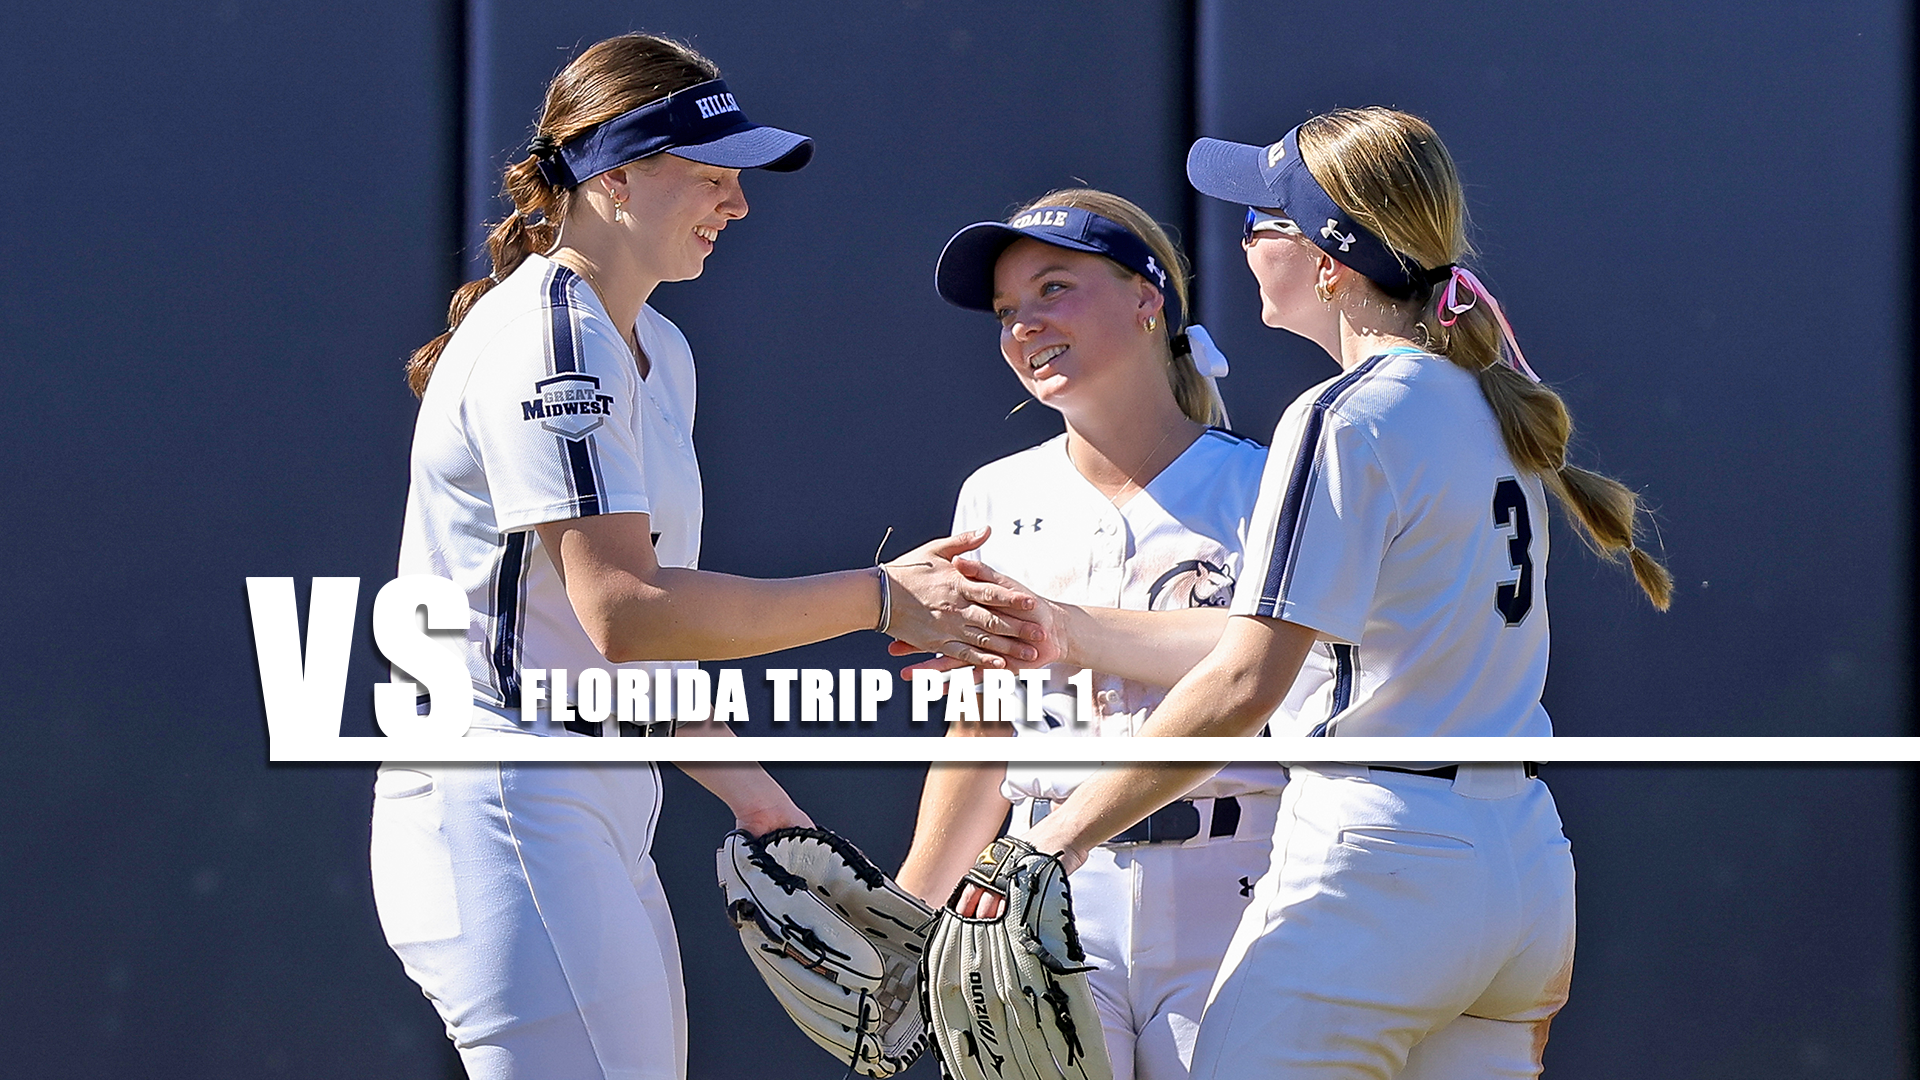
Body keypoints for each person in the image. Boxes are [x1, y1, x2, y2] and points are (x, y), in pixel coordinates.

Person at [370, 34, 1041, 1080]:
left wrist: (761, 803)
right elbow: (628, 612)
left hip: (581, 794)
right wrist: (879, 597)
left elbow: (643, 649)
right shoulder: (552, 337)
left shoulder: (655, 347)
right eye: (712, 176)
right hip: (502, 793)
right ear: (615, 176)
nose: (737, 204)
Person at [958, 108, 1673, 1079]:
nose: (1246, 243)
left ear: (1330, 259)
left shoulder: (1346, 412)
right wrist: (1075, 631)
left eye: (1263, 221)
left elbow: (1248, 682)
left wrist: (1042, 844)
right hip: (1523, 869)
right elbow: (1286, 646)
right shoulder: (1488, 405)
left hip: (1383, 864)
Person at [892, 189, 1287, 1080]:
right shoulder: (994, 498)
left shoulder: (1265, 485)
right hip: (1041, 892)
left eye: (1054, 288)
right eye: (1005, 312)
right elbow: (981, 734)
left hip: (1241, 880)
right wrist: (909, 916)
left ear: (1147, 297)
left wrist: (1066, 630)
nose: (1024, 326)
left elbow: (1269, 666)